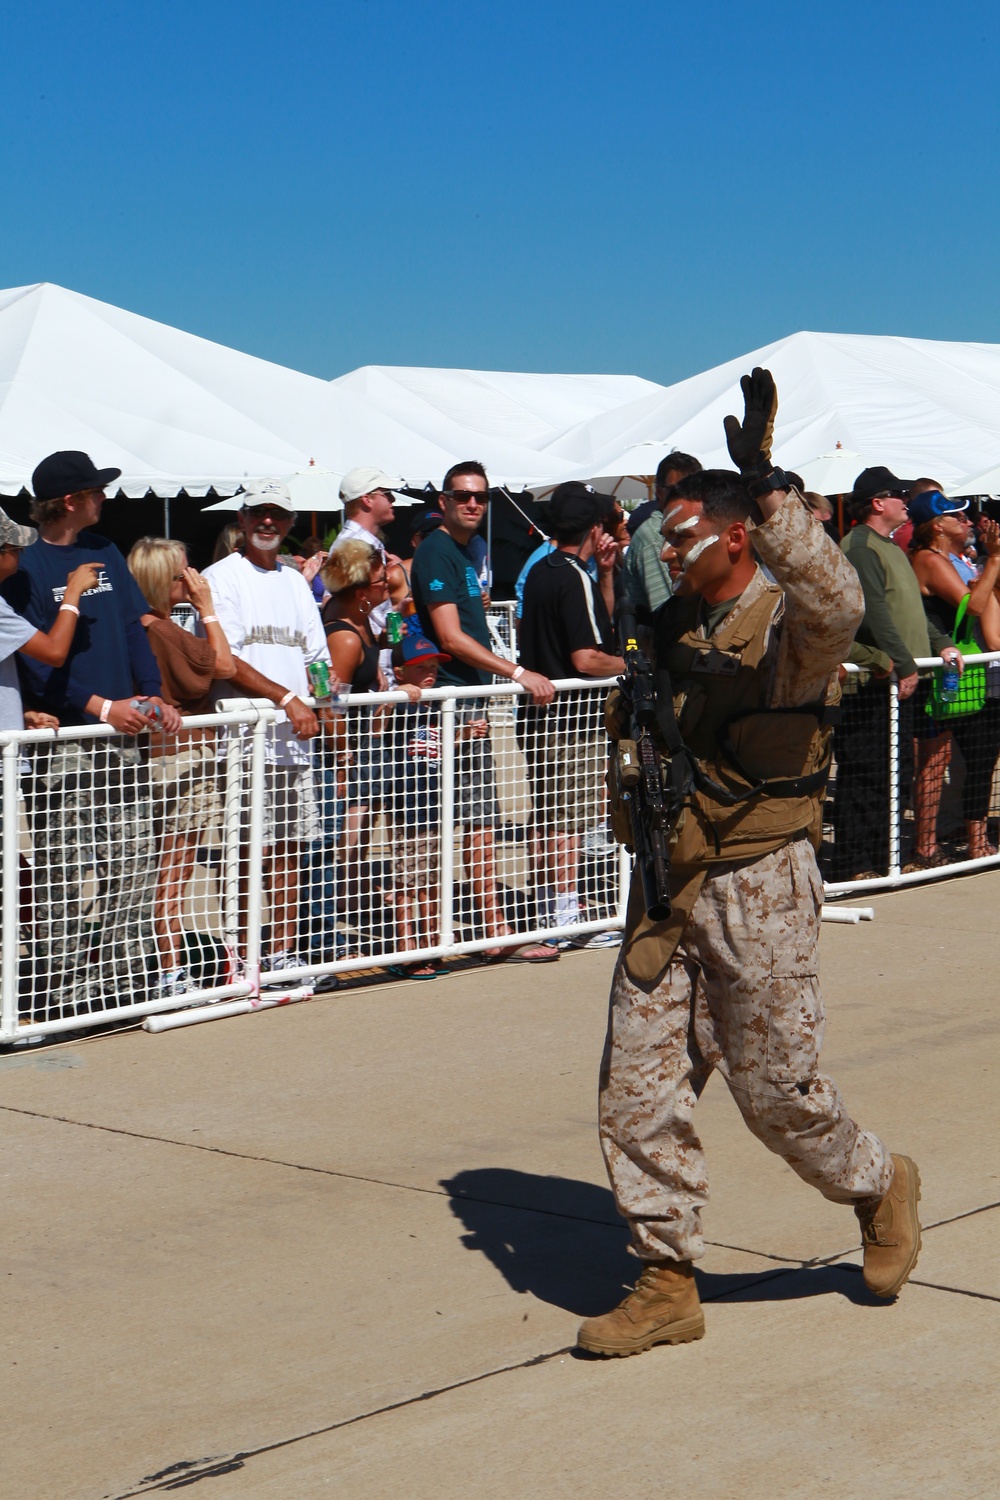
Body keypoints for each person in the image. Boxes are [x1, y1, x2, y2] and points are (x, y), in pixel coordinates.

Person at [578, 372, 920, 1358]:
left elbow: (838, 600)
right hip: (667, 884)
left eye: (682, 528)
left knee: (778, 1097)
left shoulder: (785, 635)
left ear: (737, 537)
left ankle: (875, 1181)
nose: (665, 541)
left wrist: (771, 489)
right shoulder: (669, 629)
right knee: (633, 1092)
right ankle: (665, 1276)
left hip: (757, 884)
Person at [1, 451, 182, 1018]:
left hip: (124, 733)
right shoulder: (23, 564)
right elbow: (34, 662)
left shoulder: (105, 550)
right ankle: (63, 998)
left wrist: (154, 693)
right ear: (72, 500)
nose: (106, 498)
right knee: (62, 873)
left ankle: (122, 986)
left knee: (133, 862)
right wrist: (100, 705)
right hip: (65, 742)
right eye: (97, 491)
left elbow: (133, 628)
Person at [410, 460, 557, 963]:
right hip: (441, 703)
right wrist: (516, 673)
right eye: (463, 495)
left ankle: (491, 930)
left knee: (479, 818)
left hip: (466, 699)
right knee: (427, 823)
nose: (473, 503)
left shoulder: (466, 552)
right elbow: (450, 637)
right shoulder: (435, 553)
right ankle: (424, 938)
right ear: (444, 502)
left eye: (481, 496)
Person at [202, 479, 335, 979]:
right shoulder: (222, 577)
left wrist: (326, 700)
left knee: (288, 848)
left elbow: (315, 656)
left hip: (295, 737)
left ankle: (280, 953)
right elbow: (226, 660)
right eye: (258, 512)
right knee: (241, 850)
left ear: (290, 524)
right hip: (241, 740)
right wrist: (286, 698)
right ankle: (239, 955)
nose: (267, 522)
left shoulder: (295, 581)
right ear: (241, 518)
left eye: (277, 514)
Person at [829, 467, 960, 881]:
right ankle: (855, 864)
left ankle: (885, 856)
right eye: (897, 494)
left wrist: (940, 644)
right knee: (866, 772)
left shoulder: (887, 546)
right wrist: (904, 663)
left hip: (902, 681)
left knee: (895, 773)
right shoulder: (860, 546)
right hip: (874, 685)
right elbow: (875, 614)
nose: (907, 500)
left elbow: (911, 612)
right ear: (876, 503)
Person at [128, 537, 238, 999]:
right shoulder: (162, 630)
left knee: (169, 867)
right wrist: (208, 607)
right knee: (174, 870)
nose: (191, 579)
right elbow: (225, 663)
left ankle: (165, 966)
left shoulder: (145, 626)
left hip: (165, 756)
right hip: (178, 758)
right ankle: (170, 970)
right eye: (181, 574)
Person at [519, 482, 623, 943]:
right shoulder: (570, 574)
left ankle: (548, 911)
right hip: (570, 721)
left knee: (546, 817)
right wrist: (638, 666)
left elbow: (592, 626)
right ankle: (564, 915)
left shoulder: (542, 570)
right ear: (594, 527)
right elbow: (587, 658)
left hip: (538, 716)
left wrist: (604, 574)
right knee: (570, 823)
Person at [380, 629, 487, 978]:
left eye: (433, 666)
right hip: (407, 804)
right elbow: (375, 724)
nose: (430, 672)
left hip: (435, 804)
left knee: (432, 878)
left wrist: (465, 734)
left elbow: (440, 745)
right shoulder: (397, 702)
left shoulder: (437, 703)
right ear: (400, 672)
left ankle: (430, 940)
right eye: (420, 667)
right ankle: (405, 945)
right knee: (407, 880)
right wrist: (394, 695)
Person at [908, 491, 1000, 864]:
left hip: (961, 672)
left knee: (962, 759)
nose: (966, 521)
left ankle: (942, 839)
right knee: (935, 762)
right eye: (956, 516)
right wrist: (994, 558)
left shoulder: (953, 558)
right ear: (937, 526)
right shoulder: (928, 559)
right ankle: (925, 846)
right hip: (937, 674)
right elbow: (974, 606)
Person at [620, 452, 703, 616]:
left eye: (695, 488)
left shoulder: (688, 528)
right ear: (659, 492)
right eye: (677, 490)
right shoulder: (653, 536)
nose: (686, 496)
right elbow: (667, 607)